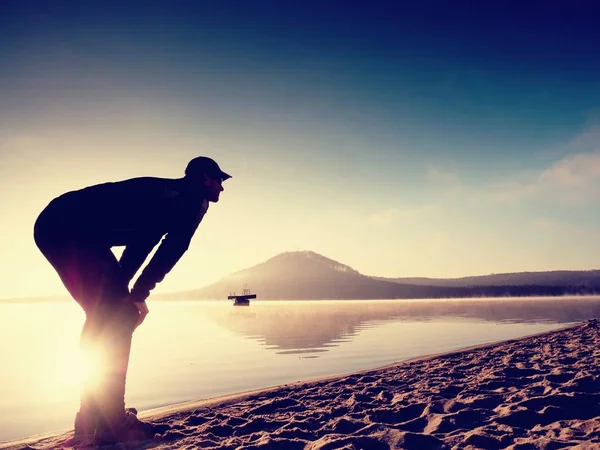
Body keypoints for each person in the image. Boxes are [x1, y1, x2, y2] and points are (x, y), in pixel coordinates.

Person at [33, 156, 231, 445]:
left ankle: (89, 420)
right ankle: (111, 424)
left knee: (104, 318)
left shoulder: (170, 196)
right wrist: (136, 296)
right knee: (118, 318)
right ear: (204, 179)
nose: (222, 189)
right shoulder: (191, 201)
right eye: (219, 181)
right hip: (68, 229)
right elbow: (171, 250)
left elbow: (144, 243)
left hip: (55, 224)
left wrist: (128, 293)